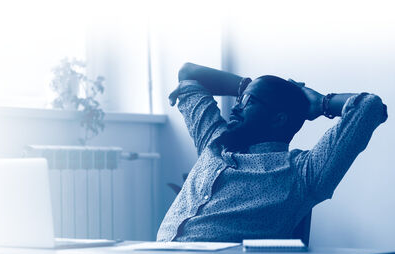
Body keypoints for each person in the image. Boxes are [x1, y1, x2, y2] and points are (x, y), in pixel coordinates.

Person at [156, 62, 388, 242]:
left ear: (278, 119)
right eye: (240, 98)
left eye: (249, 100)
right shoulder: (215, 141)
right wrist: (251, 85)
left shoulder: (303, 172)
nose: (237, 106)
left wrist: (320, 103)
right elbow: (189, 73)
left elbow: (370, 107)